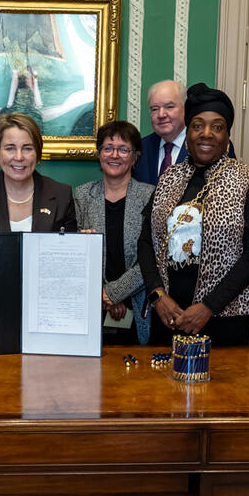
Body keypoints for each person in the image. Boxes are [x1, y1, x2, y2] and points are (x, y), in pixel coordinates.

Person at [139, 83, 249, 347]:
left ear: (228, 136)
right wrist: (158, 296)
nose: (207, 134)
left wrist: (208, 307)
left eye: (217, 126)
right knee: (159, 387)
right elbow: (146, 241)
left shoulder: (248, 179)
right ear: (187, 132)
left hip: (224, 320)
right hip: (168, 316)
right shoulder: (169, 177)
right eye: (198, 125)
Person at [75, 121, 155, 344]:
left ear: (135, 156)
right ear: (99, 154)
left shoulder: (151, 196)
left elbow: (153, 257)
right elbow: (77, 256)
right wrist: (104, 296)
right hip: (93, 306)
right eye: (108, 148)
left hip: (139, 304)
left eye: (123, 149)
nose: (115, 155)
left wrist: (114, 293)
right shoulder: (82, 196)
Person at [0, 112, 79, 232]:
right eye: (10, 148)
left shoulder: (62, 195)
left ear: (37, 153)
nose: (19, 157)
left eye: (27, 148)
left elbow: (68, 249)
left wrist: (86, 244)